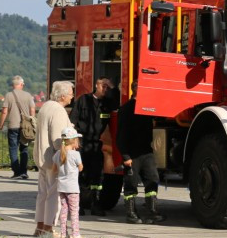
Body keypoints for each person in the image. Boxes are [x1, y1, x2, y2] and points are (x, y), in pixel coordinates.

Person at [116, 81, 164, 224]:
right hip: (132, 153)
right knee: (131, 184)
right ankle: (131, 214)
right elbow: (121, 135)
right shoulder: (126, 109)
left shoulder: (147, 108)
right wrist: (125, 156)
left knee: (152, 180)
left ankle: (152, 212)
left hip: (146, 151)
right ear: (136, 90)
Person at [34, 81, 74, 238]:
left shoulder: (46, 105)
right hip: (53, 159)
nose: (72, 97)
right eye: (71, 93)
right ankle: (49, 228)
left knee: (42, 193)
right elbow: (58, 140)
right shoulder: (58, 110)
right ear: (63, 95)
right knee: (54, 195)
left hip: (42, 156)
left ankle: (39, 227)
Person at [70, 77, 112, 215]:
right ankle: (79, 205)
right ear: (96, 85)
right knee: (81, 174)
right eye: (103, 85)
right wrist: (74, 141)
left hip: (97, 145)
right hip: (83, 143)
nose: (105, 89)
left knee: (97, 176)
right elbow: (73, 121)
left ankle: (96, 204)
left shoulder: (106, 104)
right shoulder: (83, 100)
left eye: (107, 86)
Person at [0, 75, 35, 179]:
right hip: (25, 127)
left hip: (13, 126)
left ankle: (16, 172)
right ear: (21, 84)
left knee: (13, 149)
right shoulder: (28, 95)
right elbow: (32, 110)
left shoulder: (9, 95)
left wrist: (1, 124)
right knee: (24, 149)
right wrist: (31, 121)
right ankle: (24, 172)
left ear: (13, 85)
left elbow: (5, 111)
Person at [53, 126, 85, 238]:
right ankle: (75, 235)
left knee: (64, 211)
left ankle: (63, 234)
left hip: (61, 187)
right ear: (74, 141)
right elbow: (81, 168)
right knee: (74, 211)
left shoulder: (57, 154)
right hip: (73, 188)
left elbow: (54, 170)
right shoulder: (75, 155)